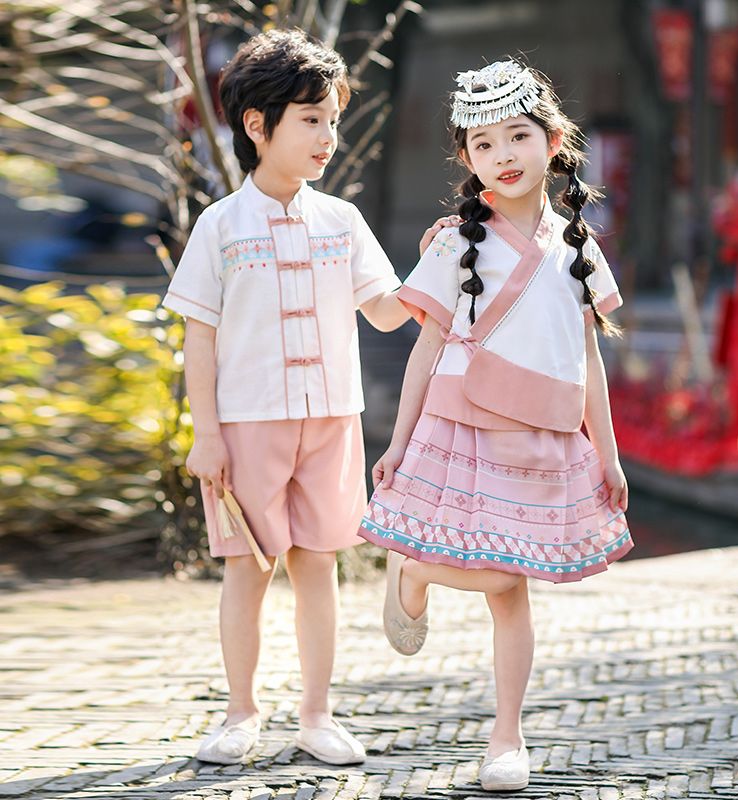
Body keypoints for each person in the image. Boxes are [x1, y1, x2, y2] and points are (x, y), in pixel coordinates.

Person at [162, 28, 456, 767]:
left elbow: (388, 311)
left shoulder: (342, 221)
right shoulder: (220, 227)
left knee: (320, 565)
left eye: (333, 120)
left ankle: (318, 715)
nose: (328, 136)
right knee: (248, 568)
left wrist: (440, 263)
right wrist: (208, 436)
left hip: (333, 419)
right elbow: (199, 337)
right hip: (248, 423)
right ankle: (238, 714)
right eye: (311, 119)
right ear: (257, 126)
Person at [359, 59, 633, 792]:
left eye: (517, 136)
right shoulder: (456, 241)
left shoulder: (578, 244)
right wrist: (398, 441)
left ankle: (505, 738)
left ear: (553, 139)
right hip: (463, 421)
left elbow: (587, 359)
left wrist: (607, 455)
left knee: (513, 587)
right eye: (483, 144)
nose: (503, 156)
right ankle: (415, 568)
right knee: (502, 577)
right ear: (467, 158)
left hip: (542, 429)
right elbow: (424, 349)